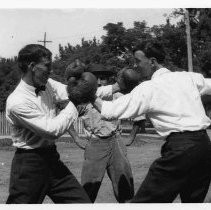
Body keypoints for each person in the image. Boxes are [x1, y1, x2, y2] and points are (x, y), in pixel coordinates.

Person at [92, 41, 211, 203]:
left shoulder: (149, 87)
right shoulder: (188, 77)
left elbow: (110, 111)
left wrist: (89, 95)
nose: (136, 66)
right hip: (204, 147)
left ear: (152, 62)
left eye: (138, 61)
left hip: (180, 150)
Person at [5, 44, 91, 204]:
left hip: (52, 158)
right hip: (29, 165)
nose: (50, 71)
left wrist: (114, 87)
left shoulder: (48, 84)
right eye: (47, 66)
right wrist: (75, 103)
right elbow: (52, 130)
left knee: (82, 203)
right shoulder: (17, 101)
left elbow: (73, 91)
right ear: (32, 66)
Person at [67, 63, 142, 203]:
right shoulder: (82, 97)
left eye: (104, 78)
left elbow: (140, 116)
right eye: (97, 78)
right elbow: (66, 118)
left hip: (116, 141)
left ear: (108, 80)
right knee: (88, 188)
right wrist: (76, 138)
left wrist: (131, 137)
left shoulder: (118, 95)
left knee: (124, 185)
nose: (101, 81)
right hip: (95, 143)